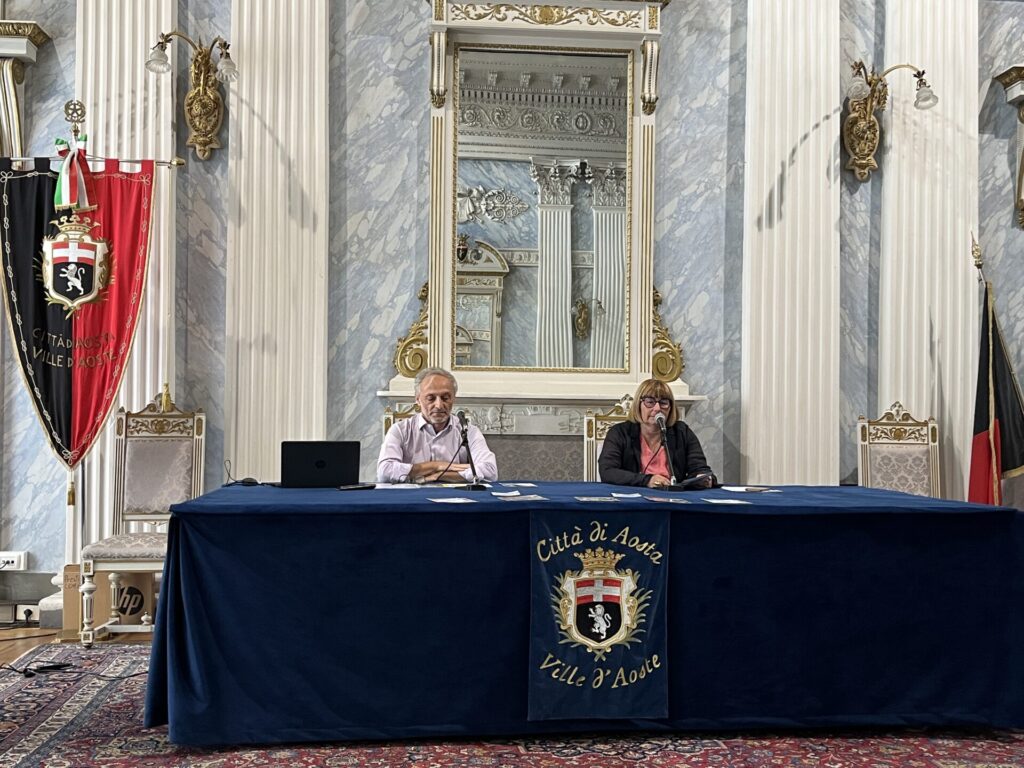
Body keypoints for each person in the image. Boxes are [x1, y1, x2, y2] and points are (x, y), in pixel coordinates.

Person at [377, 367, 498, 483]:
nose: (439, 405)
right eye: (431, 398)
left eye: (445, 398)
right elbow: (384, 472)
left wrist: (439, 474)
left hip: (455, 498)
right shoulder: (400, 430)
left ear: (453, 398)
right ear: (418, 399)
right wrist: (436, 465)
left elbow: (490, 471)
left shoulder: (468, 431)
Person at [598, 378, 715, 489]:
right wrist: (647, 480)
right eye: (650, 402)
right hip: (634, 497)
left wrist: (703, 477)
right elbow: (608, 471)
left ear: (670, 407)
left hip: (673, 498)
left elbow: (699, 468)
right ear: (638, 405)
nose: (657, 408)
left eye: (663, 402)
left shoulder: (682, 432)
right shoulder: (619, 432)